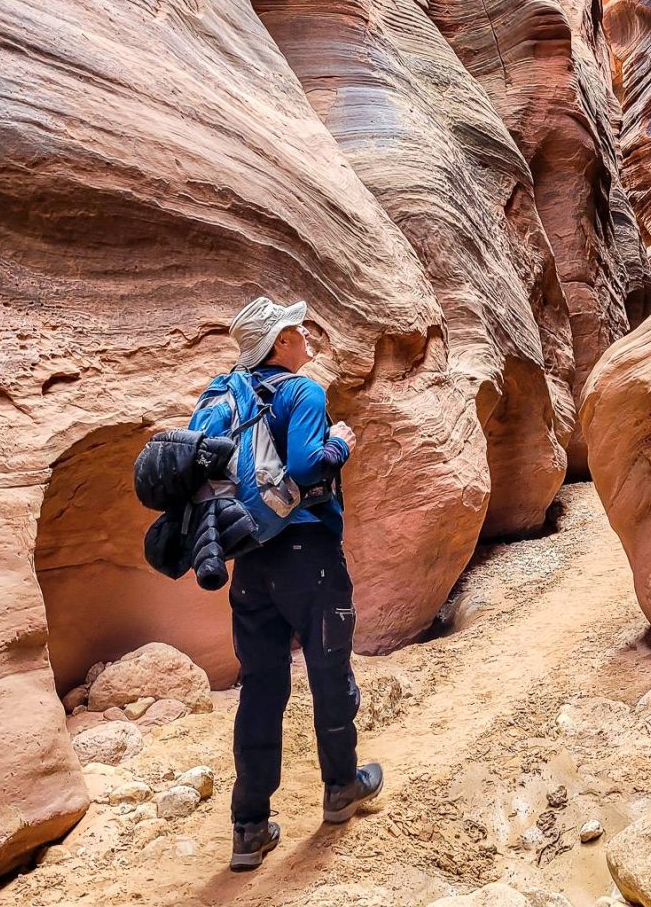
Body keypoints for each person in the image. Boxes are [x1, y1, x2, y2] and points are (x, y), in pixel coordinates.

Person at [208, 296, 383, 871]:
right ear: (279, 344)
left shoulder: (229, 397)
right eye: (294, 326)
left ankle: (249, 826)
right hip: (309, 557)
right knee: (329, 672)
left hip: (251, 561)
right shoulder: (301, 392)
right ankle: (340, 786)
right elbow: (309, 466)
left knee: (261, 689)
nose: (304, 331)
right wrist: (342, 443)